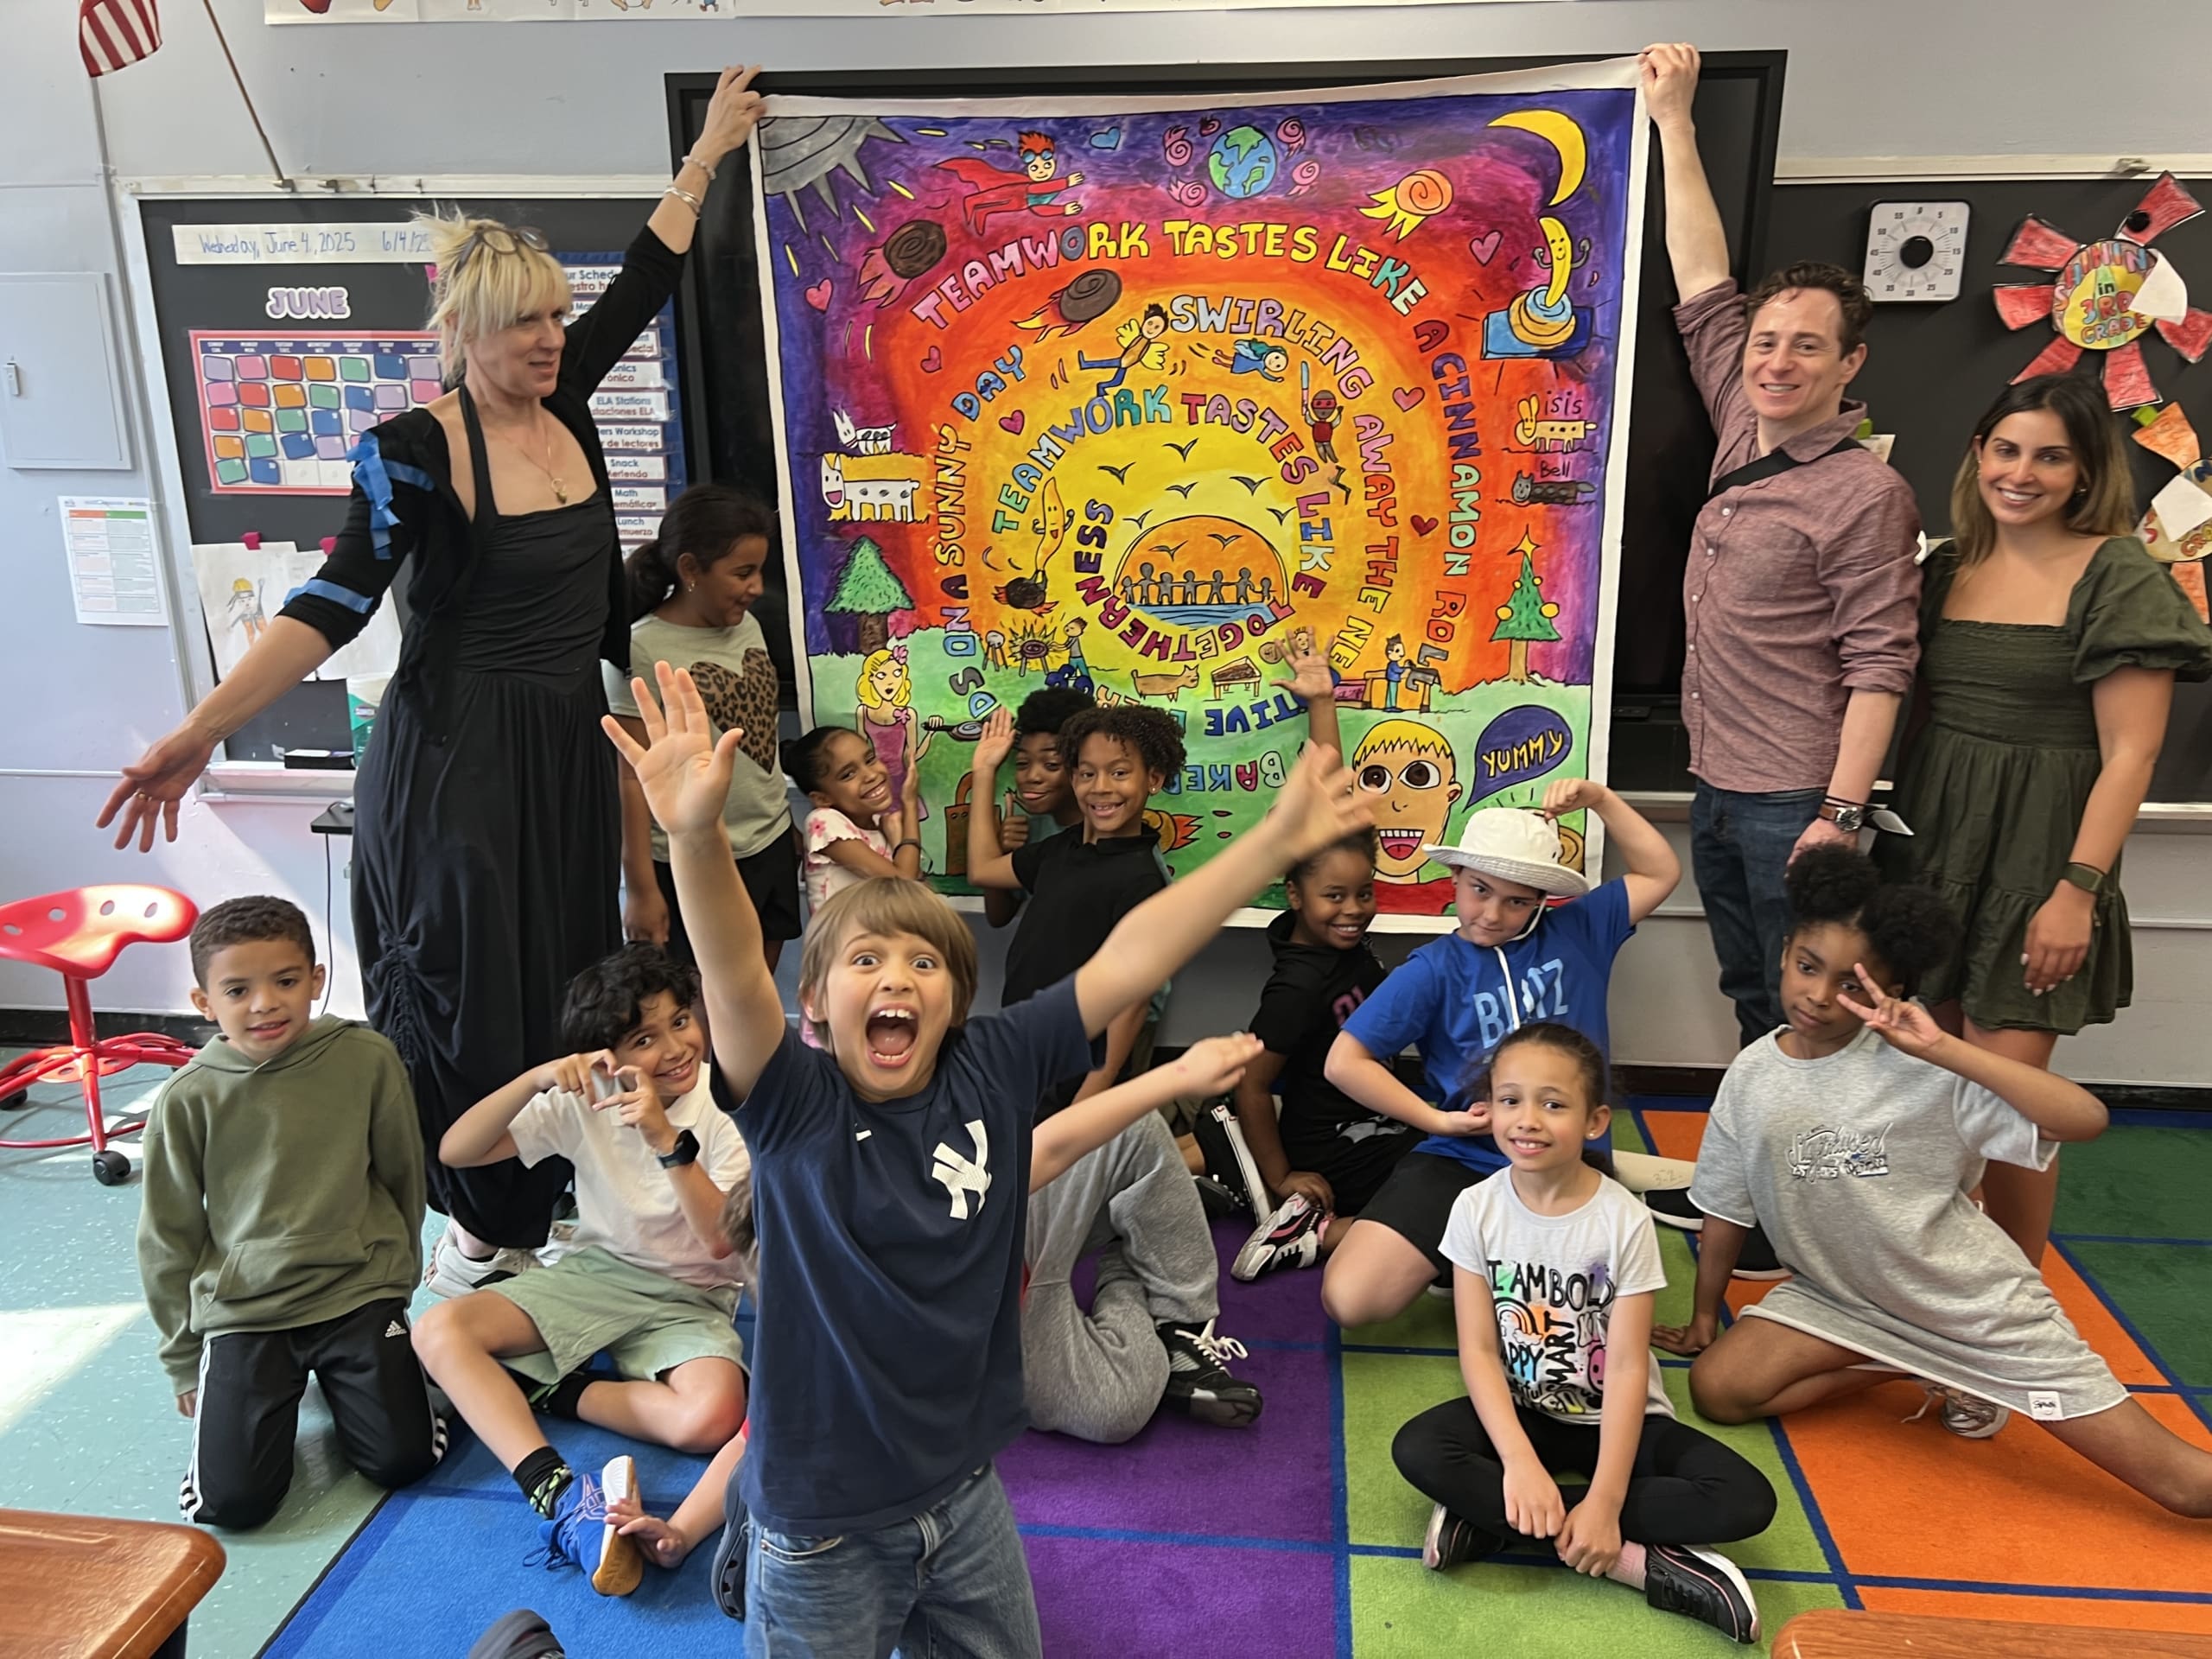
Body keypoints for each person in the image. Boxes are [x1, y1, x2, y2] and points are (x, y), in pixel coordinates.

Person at [99, 67, 768, 1299]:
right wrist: (199, 730)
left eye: (556, 319)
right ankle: (470, 1227)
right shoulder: (410, 455)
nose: (550, 339)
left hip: (565, 745)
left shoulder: (563, 400)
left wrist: (709, 154)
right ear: (459, 334)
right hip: (455, 760)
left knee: (569, 980)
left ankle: (551, 1203)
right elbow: (328, 607)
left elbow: (650, 279)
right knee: (464, 1000)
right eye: (523, 325)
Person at [605, 660, 1370, 1657]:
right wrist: (696, 837)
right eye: (866, 962)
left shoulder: (991, 1065)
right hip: (823, 1519)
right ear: (815, 1009)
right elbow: (733, 967)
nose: (898, 977)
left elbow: (1132, 957)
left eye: (925, 962)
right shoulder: (792, 1102)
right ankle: (741, 1545)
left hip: (963, 1490)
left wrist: (1274, 840)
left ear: (957, 1005)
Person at [1654, 849, 2212, 1519]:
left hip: (1971, 1311)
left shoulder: (1929, 1072)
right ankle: (1917, 1363)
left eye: (1855, 985)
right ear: (1784, 954)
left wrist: (1945, 1049)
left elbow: (2087, 1120)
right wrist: (1703, 1318)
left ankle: (1963, 1366)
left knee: (2187, 1488)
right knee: (1720, 1389)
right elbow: (1724, 1207)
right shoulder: (1752, 1073)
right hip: (1841, 1301)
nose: (1822, 996)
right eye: (1809, 967)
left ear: (1891, 992)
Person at [1876, 375, 2212, 1263]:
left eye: (2049, 456)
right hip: (1935, 841)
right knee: (1924, 1077)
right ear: (1978, 454)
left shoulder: (2119, 576)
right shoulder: (1945, 566)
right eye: (2006, 449)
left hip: (2041, 853)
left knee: (2006, 1094)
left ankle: (2013, 1303)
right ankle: (1917, 1283)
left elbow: (2131, 754)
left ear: (2085, 470)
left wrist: (2076, 891)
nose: (2021, 473)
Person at [1642, 42, 1923, 1048]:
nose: (1777, 358)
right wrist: (1674, 120)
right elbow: (1702, 271)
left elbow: (1881, 666)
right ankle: (1758, 1180)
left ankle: (1801, 1193)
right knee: (1752, 992)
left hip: (1795, 799)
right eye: (1767, 339)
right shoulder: (1736, 415)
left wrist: (1836, 818)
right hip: (1714, 782)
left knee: (1814, 1005)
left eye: (1807, 344)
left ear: (1848, 363)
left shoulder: (1864, 493)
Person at [1392, 1022, 1775, 1645]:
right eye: (1511, 1099)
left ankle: (1494, 1524)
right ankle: (1638, 1562)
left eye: (1553, 1103)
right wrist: (1517, 1460)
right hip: (1527, 1415)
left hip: (1622, 1425)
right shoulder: (1475, 1209)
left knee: (1746, 1498)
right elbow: (1480, 1349)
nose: (1528, 1119)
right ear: (1488, 1107)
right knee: (1418, 1447)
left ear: (1594, 1121)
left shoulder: (1622, 1219)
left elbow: (1626, 1370)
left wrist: (1604, 1500)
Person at [410, 944, 751, 1593]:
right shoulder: (585, 1100)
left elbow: (718, 1243)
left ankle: (550, 1389)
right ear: (607, 1059)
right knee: (439, 1331)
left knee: (711, 1419)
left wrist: (663, 1139)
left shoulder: (728, 1103)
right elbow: (459, 1150)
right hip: (594, 1275)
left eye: (682, 1021)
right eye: (645, 1038)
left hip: (691, 1296)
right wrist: (538, 1079)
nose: (677, 1047)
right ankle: (557, 1492)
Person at [1318, 780, 1684, 1332]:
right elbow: (1344, 1061)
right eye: (1480, 890)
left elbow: (1661, 872)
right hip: (1466, 1159)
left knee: (1572, 1322)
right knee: (1352, 1300)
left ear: (1541, 900)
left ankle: (1485, 1251)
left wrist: (1601, 801)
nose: (1492, 913)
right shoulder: (1433, 968)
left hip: (1565, 1161)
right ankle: (1450, 1249)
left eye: (1517, 900)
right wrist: (1436, 1119)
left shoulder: (1580, 929)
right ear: (1455, 879)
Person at [137, 896, 442, 1529]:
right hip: (249, 1309)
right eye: (238, 989)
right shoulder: (186, 1099)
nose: (264, 1004)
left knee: (404, 1460)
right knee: (233, 1505)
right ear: (205, 1003)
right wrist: (182, 1357)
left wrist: (397, 1281)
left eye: (285, 981)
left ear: (316, 980)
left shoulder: (367, 1059)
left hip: (357, 1290)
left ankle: (375, 1376)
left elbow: (402, 1175)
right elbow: (167, 1237)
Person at [608, 485, 797, 971]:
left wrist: (781, 825)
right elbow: (630, 778)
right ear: (690, 569)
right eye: (742, 573)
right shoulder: (639, 650)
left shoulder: (746, 625)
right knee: (702, 1010)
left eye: (759, 571)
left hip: (769, 842)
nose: (757, 587)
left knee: (757, 999)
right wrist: (642, 888)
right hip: (693, 858)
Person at [966, 702, 1185, 1112]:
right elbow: (982, 870)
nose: (1101, 787)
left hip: (1078, 1062)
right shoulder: (1061, 848)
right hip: (1027, 1038)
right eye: (1087, 773)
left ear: (1153, 779)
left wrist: (1090, 1098)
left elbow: (1132, 1001)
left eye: (1119, 773)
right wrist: (984, 774)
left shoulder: (1142, 879)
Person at [1227, 827, 1419, 1280]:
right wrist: (1281, 1178)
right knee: (1454, 1191)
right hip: (1334, 1145)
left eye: (1364, 893)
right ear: (1295, 895)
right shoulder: (1298, 987)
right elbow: (1250, 1083)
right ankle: (1313, 1232)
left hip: (1375, 1117)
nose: (1353, 910)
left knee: (1468, 1159)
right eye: (1334, 896)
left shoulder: (1343, 951)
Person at [979, 683, 1096, 932]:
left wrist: (983, 773)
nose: (1032, 776)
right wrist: (1002, 854)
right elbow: (999, 916)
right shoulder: (1031, 832)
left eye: (1051, 765)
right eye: (1022, 763)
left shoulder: (1109, 836)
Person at [787, 723, 929, 910]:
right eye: (848, 774)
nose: (870, 775)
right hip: (848, 939)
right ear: (822, 798)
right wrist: (909, 803)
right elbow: (904, 883)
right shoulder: (825, 823)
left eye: (870, 759)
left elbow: (918, 893)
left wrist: (896, 840)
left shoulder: (881, 824)